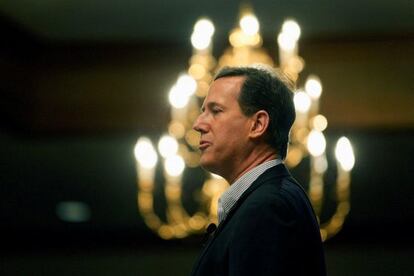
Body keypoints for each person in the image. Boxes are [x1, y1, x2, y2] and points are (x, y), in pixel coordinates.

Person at [190, 65, 326, 276]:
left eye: (216, 111)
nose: (198, 124)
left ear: (257, 124)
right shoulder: (270, 199)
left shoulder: (266, 207)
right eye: (202, 112)